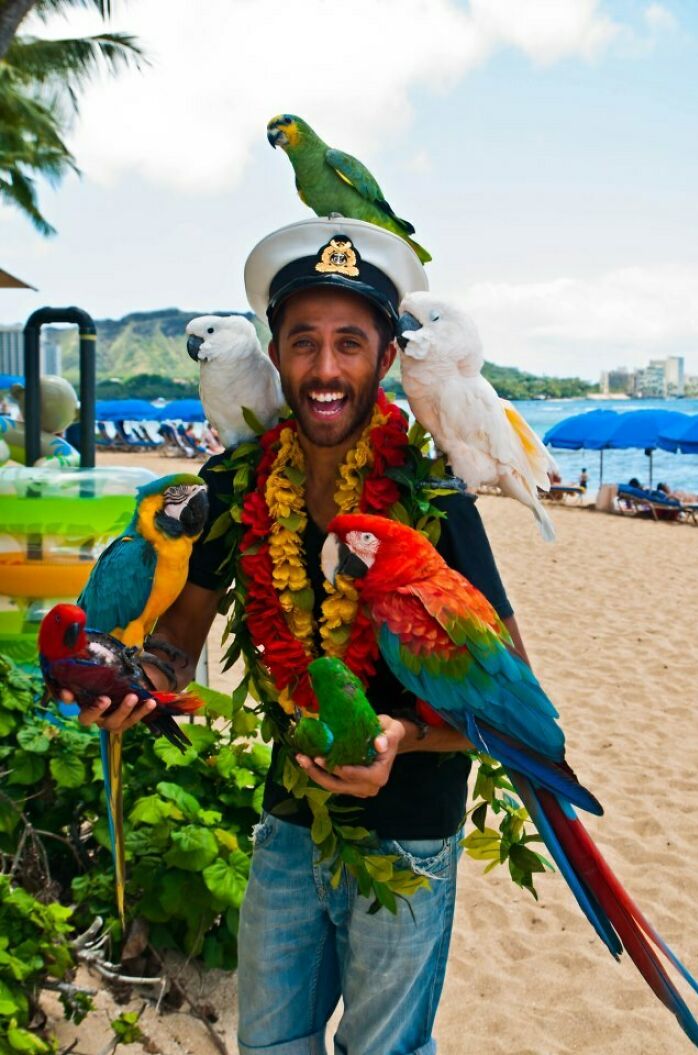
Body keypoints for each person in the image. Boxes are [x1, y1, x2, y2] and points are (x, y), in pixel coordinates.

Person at [72, 217, 529, 1054]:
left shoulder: (432, 493)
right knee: (270, 1043)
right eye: (304, 342)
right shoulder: (233, 481)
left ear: (386, 358)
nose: (325, 369)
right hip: (288, 818)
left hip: (414, 828)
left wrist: (401, 736)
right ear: (274, 354)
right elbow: (177, 640)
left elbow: (510, 680)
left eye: (349, 343)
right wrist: (131, 678)